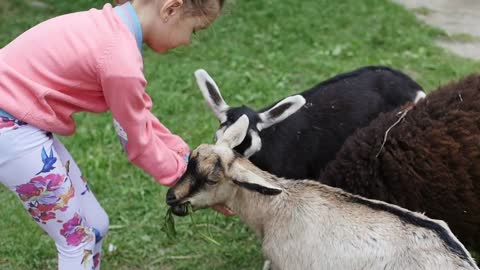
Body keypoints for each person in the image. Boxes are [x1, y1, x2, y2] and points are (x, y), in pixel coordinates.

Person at [0, 0, 227, 269]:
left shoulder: (110, 29)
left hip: (20, 123)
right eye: (195, 30)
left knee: (95, 224)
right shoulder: (119, 59)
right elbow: (136, 140)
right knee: (77, 240)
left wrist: (182, 158)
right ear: (171, 9)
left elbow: (139, 117)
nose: (189, 41)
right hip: (10, 128)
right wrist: (189, 180)